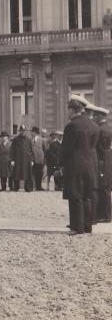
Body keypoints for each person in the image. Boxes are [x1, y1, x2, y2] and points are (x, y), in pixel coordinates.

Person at [61, 95, 99, 234]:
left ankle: (77, 227)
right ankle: (87, 226)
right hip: (90, 164)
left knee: (75, 194)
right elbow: (93, 146)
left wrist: (61, 164)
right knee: (87, 195)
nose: (68, 112)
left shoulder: (71, 126)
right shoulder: (94, 125)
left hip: (74, 164)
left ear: (72, 109)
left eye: (68, 109)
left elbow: (66, 148)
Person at [93, 106, 112, 223]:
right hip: (106, 160)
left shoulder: (101, 130)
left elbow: (100, 149)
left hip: (102, 161)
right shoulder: (107, 127)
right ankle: (105, 214)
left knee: (103, 188)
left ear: (100, 116)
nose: (94, 117)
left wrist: (99, 163)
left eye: (95, 115)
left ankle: (105, 215)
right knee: (105, 188)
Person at [10, 125, 34, 192]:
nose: (22, 132)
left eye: (23, 130)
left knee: (27, 174)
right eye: (21, 131)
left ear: (25, 131)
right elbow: (12, 150)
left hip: (26, 160)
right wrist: (12, 160)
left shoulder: (28, 140)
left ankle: (28, 188)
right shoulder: (15, 140)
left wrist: (32, 160)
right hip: (18, 160)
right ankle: (16, 187)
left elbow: (31, 150)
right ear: (19, 131)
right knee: (16, 173)